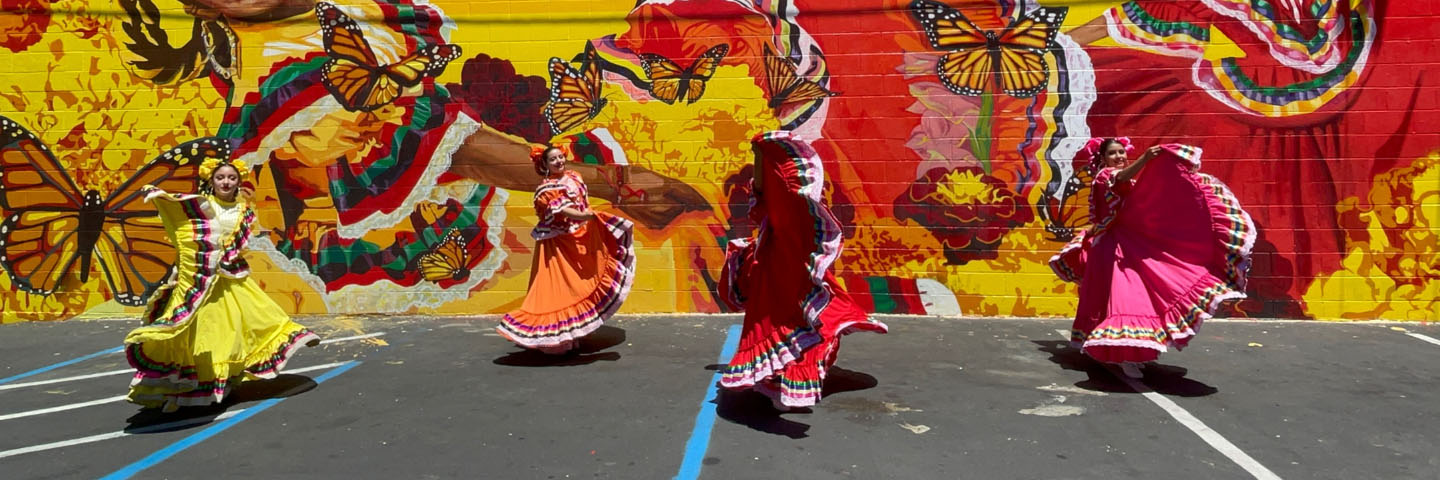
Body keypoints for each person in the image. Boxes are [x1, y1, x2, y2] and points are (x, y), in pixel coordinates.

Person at [1050, 137, 1256, 378]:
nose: (1119, 157)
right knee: (1126, 299)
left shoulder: (1124, 178)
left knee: (1128, 297)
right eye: (1113, 154)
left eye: (1121, 153)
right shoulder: (1105, 176)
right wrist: (1146, 158)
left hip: (1124, 243)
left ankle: (1127, 351)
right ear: (1103, 159)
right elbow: (1121, 178)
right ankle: (1123, 354)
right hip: (1111, 249)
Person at [125, 158, 320, 412]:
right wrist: (177, 271)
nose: (226, 182)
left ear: (239, 181)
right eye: (220, 178)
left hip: (229, 282)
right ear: (211, 180)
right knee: (194, 338)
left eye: (231, 178)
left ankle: (222, 380)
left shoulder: (244, 212)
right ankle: (187, 389)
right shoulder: (200, 206)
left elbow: (236, 246)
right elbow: (187, 240)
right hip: (197, 282)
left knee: (238, 329)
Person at [717, 131, 888, 410]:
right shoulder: (783, 209)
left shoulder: (779, 208)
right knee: (804, 319)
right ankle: (787, 382)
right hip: (778, 263)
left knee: (792, 319)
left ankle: (783, 380)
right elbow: (769, 202)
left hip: (776, 262)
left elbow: (764, 202)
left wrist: (762, 154)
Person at [497, 146, 636, 354]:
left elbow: (581, 203)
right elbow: (565, 211)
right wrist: (589, 216)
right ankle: (556, 340)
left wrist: (588, 220)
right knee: (559, 290)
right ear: (544, 165)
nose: (559, 161)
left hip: (577, 238)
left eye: (561, 157)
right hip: (558, 245)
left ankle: (571, 333)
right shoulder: (546, 190)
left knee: (579, 284)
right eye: (553, 159)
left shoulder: (573, 176)